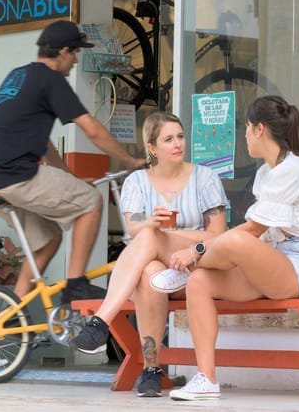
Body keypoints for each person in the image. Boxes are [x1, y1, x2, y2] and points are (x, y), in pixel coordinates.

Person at [151, 95, 299, 401]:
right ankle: (206, 379)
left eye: (247, 129)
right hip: (279, 260)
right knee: (200, 283)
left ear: (260, 129)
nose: (245, 136)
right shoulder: (266, 173)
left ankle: (191, 265)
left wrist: (196, 250)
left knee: (237, 239)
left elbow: (253, 230)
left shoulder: (293, 169)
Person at [0, 19, 146, 303]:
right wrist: (128, 160)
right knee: (91, 202)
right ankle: (75, 283)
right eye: (75, 52)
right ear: (63, 51)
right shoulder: (51, 80)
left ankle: (14, 309)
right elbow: (92, 129)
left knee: (50, 238)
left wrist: (69, 176)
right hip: (13, 174)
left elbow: (43, 143)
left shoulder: (21, 75)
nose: (76, 60)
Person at [71, 112, 229, 397]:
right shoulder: (137, 182)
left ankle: (101, 323)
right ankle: (152, 370)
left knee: (149, 238)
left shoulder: (204, 178)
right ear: (152, 148)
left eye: (180, 136)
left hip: (195, 269)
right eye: (168, 139)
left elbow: (218, 235)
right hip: (154, 270)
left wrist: (163, 235)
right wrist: (152, 224)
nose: (178, 144)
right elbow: (134, 226)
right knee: (148, 270)